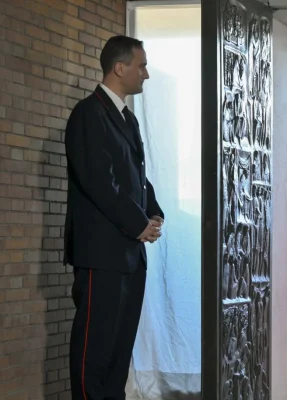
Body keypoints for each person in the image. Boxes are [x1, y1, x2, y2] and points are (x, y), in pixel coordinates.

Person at [64, 35, 164, 400]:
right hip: (101, 254)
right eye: (142, 65)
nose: (146, 74)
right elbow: (99, 182)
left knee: (119, 349)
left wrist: (153, 213)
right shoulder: (88, 113)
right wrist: (139, 224)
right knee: (96, 348)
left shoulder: (126, 118)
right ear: (120, 68)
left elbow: (136, 175)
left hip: (128, 252)